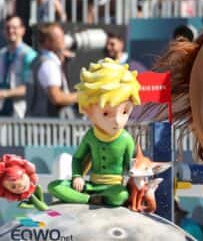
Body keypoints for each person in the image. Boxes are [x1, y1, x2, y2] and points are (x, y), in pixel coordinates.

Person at [48, 58, 138, 206]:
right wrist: (77, 176)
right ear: (88, 110)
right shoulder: (91, 135)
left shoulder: (126, 139)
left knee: (120, 196)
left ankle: (99, 198)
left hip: (113, 187)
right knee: (55, 187)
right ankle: (89, 200)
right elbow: (78, 158)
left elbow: (130, 166)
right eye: (106, 114)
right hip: (90, 185)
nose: (117, 121)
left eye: (124, 112)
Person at [26, 23, 77, 118]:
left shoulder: (37, 60)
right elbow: (56, 98)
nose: (64, 41)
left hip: (36, 122)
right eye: (59, 38)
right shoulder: (49, 64)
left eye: (63, 36)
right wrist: (81, 96)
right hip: (48, 128)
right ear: (47, 42)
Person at [0, 16, 37, 118]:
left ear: (22, 30)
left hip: (20, 113)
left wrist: (6, 93)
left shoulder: (29, 55)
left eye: (14, 28)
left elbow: (30, 87)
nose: (11, 31)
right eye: (7, 28)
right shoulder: (2, 54)